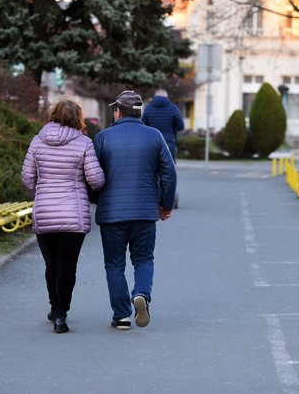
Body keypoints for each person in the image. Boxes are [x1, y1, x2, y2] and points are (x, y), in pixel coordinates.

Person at [93, 90, 177, 331]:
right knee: (143, 259)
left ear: (118, 111)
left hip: (111, 213)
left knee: (114, 264)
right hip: (144, 211)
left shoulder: (103, 137)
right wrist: (165, 204)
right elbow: (169, 172)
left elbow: (92, 174)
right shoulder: (154, 136)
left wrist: (95, 199)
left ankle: (121, 315)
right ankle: (141, 294)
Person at [21, 96, 105, 333]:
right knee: (67, 264)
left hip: (45, 210)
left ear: (53, 115)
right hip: (73, 213)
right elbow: (96, 180)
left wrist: (41, 192)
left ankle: (54, 306)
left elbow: (27, 178)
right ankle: (60, 314)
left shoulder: (37, 142)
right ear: (78, 118)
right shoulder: (84, 144)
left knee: (51, 264)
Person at [141, 88, 184, 159]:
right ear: (166, 96)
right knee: (169, 167)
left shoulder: (148, 108)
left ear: (155, 96)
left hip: (152, 142)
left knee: (153, 167)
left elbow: (143, 126)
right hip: (169, 142)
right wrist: (173, 130)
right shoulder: (173, 108)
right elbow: (181, 126)